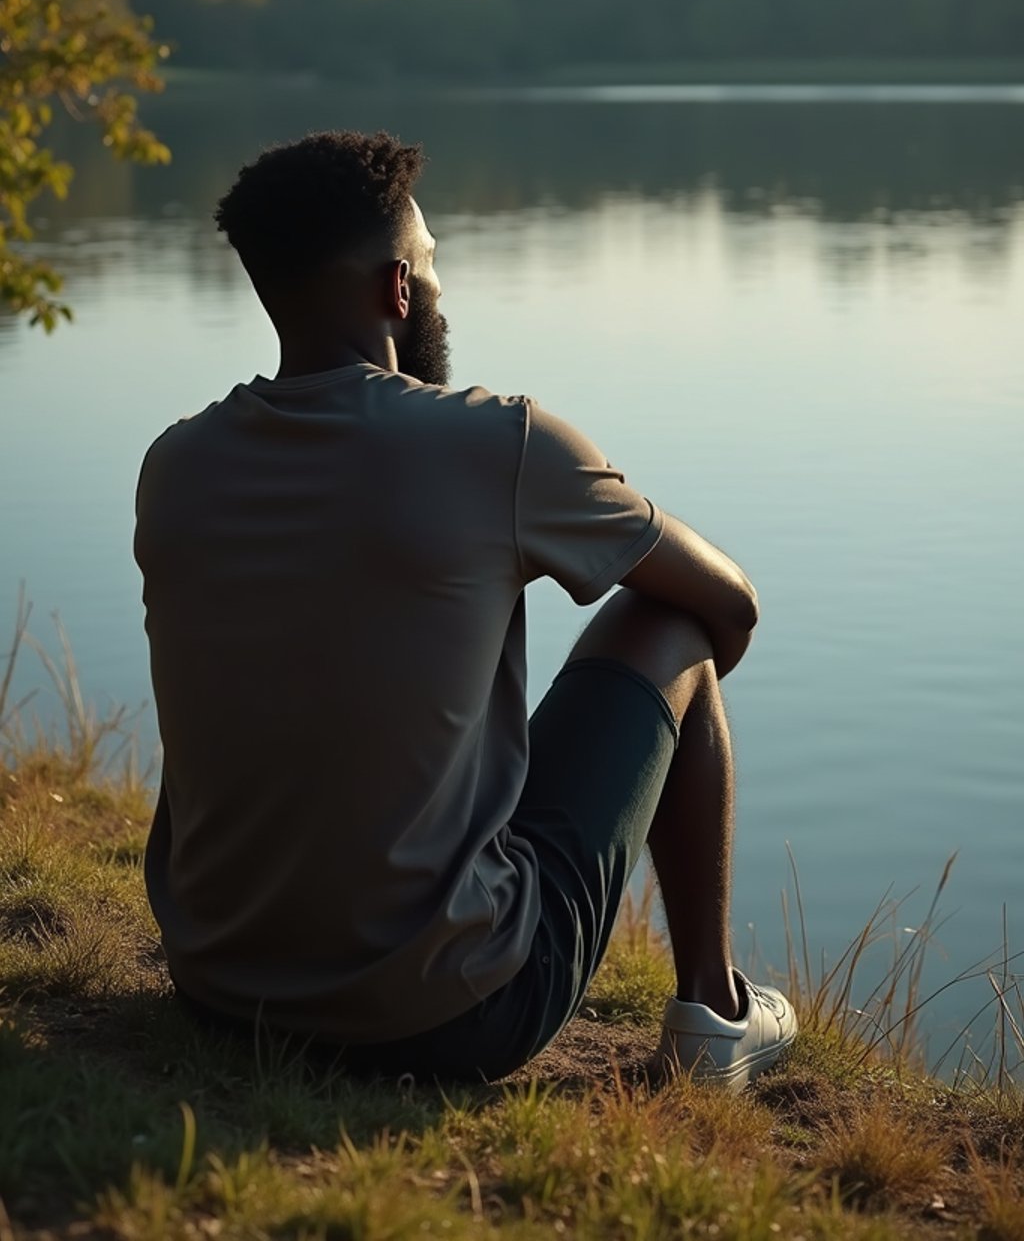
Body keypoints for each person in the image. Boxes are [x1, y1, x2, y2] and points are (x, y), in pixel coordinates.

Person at [134, 129, 797, 1090]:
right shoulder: (498, 444)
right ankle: (713, 1016)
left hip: (221, 990)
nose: (442, 291)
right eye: (435, 266)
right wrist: (645, 741)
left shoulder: (176, 465)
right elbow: (730, 606)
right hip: (454, 1013)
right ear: (398, 288)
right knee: (669, 628)